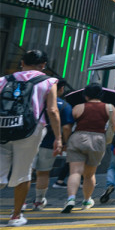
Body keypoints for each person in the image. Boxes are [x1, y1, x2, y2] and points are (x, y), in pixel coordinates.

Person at [0, 50, 62, 227]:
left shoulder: (4, 80)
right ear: (43, 65)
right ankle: (15, 216)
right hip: (30, 130)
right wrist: (58, 137)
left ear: (21, 63)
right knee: (23, 172)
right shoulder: (49, 81)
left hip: (3, 127)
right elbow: (52, 110)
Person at [63, 82, 115, 213]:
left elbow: (67, 126)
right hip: (98, 139)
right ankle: (87, 200)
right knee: (89, 174)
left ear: (85, 95)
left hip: (77, 138)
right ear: (101, 94)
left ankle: (71, 198)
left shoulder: (77, 107)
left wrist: (66, 142)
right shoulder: (109, 107)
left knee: (75, 172)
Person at [31, 80, 73, 210]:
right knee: (43, 173)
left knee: (24, 172)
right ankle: (38, 201)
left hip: (29, 141)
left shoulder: (36, 101)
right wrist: (64, 142)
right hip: (49, 143)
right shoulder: (64, 106)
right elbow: (66, 128)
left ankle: (20, 203)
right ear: (60, 90)